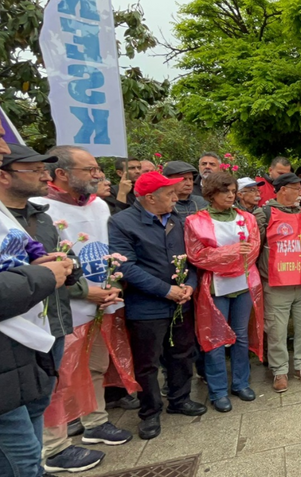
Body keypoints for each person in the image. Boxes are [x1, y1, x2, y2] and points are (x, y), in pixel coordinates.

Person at [34, 146, 134, 471]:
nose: (98, 175)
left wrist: (113, 285)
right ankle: (54, 447)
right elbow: (47, 263)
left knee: (94, 365)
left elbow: (110, 250)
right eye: (89, 170)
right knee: (58, 376)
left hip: (102, 302)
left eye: (97, 169)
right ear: (61, 174)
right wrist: (83, 291)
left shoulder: (99, 205)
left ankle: (95, 423)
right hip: (62, 309)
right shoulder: (40, 209)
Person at [108, 172, 206, 440]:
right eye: (169, 194)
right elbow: (124, 265)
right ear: (150, 197)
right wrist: (165, 290)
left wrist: (191, 285)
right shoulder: (122, 222)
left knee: (182, 354)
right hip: (146, 306)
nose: (176, 198)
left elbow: (192, 259)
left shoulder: (178, 220)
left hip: (181, 302)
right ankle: (149, 412)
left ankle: (180, 399)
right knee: (147, 363)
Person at [0, 139, 75, 477]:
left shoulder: (39, 218)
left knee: (36, 411)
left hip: (40, 333)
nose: (45, 176)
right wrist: (42, 275)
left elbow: (56, 261)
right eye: (35, 169)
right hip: (8, 350)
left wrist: (63, 268)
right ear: (5, 175)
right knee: (22, 456)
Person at [184, 172, 263, 412]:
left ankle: (240, 382)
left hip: (243, 283)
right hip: (216, 287)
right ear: (211, 194)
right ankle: (217, 390)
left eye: (232, 191)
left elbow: (253, 249)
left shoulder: (246, 217)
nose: (230, 195)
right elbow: (197, 255)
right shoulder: (195, 222)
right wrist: (232, 254)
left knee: (240, 335)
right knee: (216, 339)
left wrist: (230, 258)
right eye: (224, 191)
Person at [253, 173, 301, 391]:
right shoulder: (264, 213)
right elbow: (255, 247)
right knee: (277, 330)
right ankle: (279, 371)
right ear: (282, 190)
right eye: (297, 188)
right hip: (276, 283)